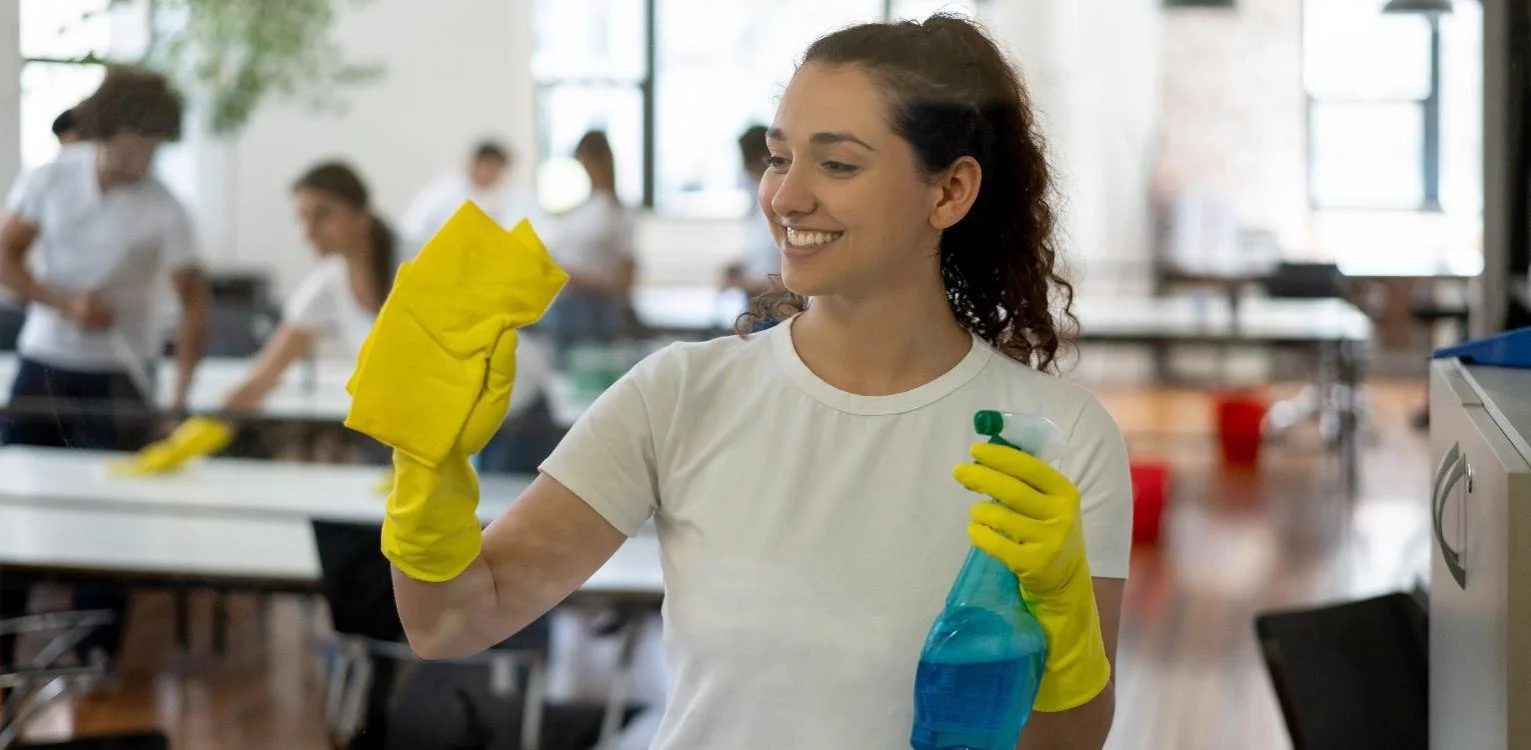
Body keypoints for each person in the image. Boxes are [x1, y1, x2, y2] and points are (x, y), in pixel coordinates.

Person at [372, 15, 1130, 749]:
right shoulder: (676, 395)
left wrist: (1066, 630)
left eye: (836, 164)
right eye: (778, 157)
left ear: (949, 192)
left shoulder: (1053, 438)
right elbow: (452, 622)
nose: (785, 197)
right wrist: (427, 473)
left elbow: (1070, 743)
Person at [0, 66, 212, 665]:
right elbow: (6, 258)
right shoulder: (51, 179)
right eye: (131, 146)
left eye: (152, 149)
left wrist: (179, 397)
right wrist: (63, 302)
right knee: (12, 499)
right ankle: (6, 641)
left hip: (121, 373)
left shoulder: (166, 210)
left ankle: (96, 655)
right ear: (103, 131)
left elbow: (196, 301)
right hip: (45, 361)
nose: (141, 161)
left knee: (113, 518)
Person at [537, 130, 638, 360]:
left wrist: (588, 281)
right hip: (565, 304)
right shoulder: (578, 210)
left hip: (594, 309)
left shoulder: (617, 214)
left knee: (592, 375)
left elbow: (627, 276)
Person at [398, 140, 515, 263]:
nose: (497, 177)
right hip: (419, 255)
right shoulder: (451, 191)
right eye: (495, 170)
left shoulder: (476, 195)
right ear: (480, 164)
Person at [720, 123, 781, 299]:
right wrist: (740, 267)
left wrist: (741, 283)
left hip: (774, 307)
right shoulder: (756, 208)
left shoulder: (785, 211)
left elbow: (785, 283)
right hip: (757, 303)